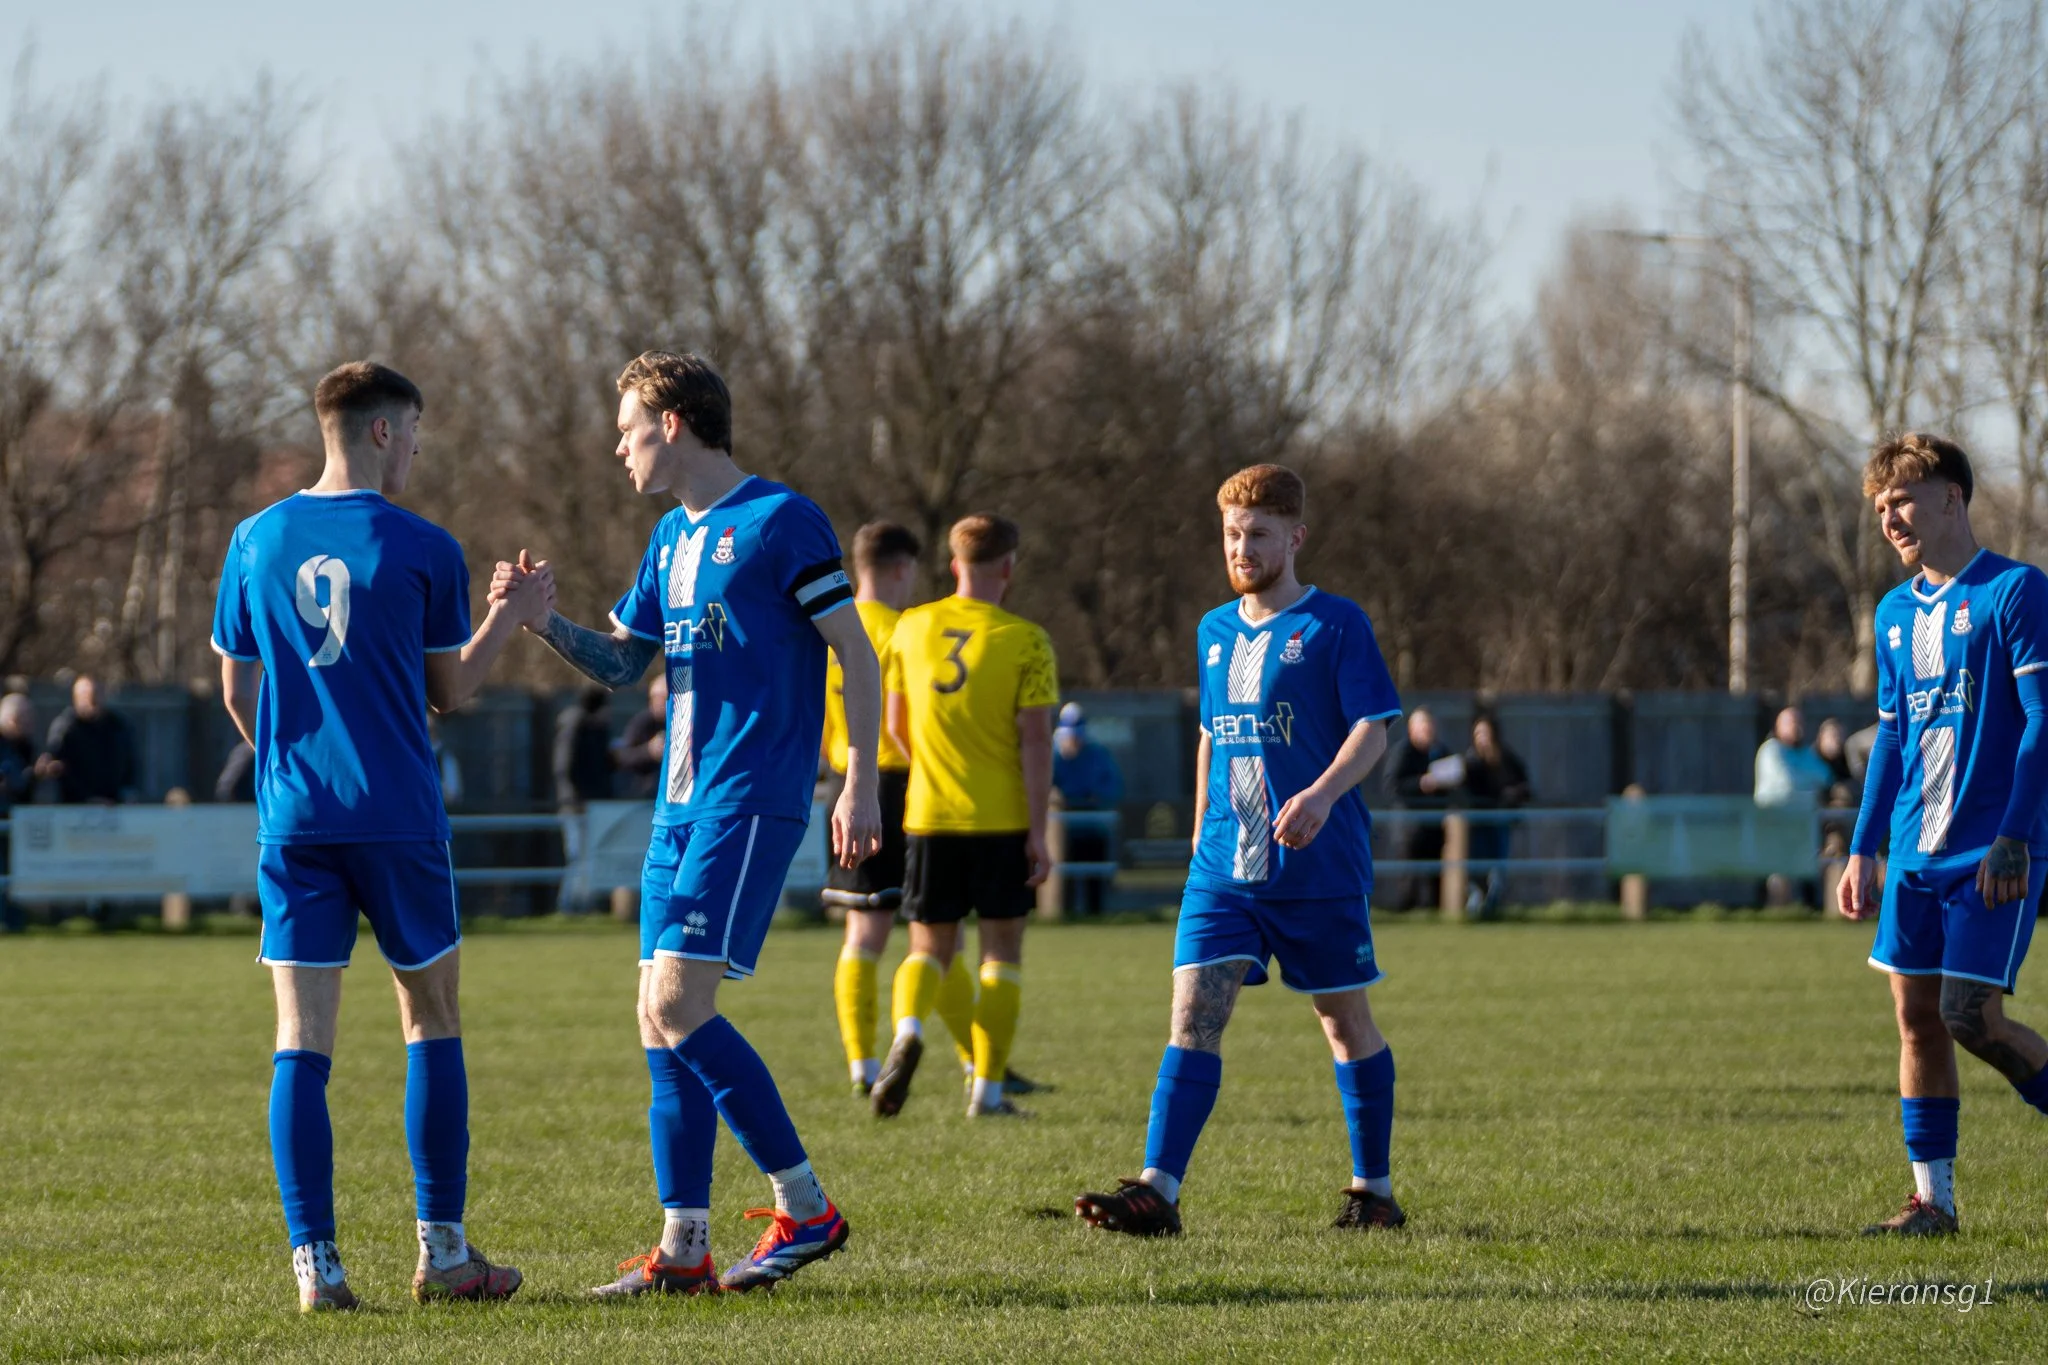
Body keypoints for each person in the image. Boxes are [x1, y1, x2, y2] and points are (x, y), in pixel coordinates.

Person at [498, 350, 881, 1297]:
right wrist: (546, 624)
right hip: (677, 805)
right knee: (656, 1017)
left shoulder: (781, 521)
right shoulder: (669, 540)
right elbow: (628, 666)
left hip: (747, 797)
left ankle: (808, 1206)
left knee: (679, 1005)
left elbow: (857, 657)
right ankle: (683, 1246)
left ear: (672, 423)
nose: (618, 448)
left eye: (627, 429)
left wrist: (860, 779)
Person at [210, 361, 548, 1312]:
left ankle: (317, 1267)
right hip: (398, 815)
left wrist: (290, 766)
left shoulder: (253, 540)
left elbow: (238, 689)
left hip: (297, 821)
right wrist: (511, 617)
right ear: (385, 432)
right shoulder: (424, 546)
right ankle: (443, 1252)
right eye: (416, 434)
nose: (418, 452)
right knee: (430, 1019)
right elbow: (451, 690)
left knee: (299, 1042)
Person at [1076, 463, 1405, 1238]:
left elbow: (1373, 728)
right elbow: (1209, 736)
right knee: (1193, 1014)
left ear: (1295, 536)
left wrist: (1322, 794)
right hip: (1225, 866)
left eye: (1257, 533)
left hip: (1318, 869)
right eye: (1231, 533)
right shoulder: (1212, 629)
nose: (1242, 547)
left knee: (1342, 1019)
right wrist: (1200, 831)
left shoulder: (1336, 625)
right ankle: (1158, 1189)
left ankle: (1374, 1190)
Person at [1839, 432, 2048, 1238]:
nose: (1890, 516)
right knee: (1918, 1018)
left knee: (1972, 1016)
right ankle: (1933, 1202)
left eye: (1902, 499)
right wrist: (1863, 845)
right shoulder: (1894, 614)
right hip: (1914, 855)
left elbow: (2041, 722)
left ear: (1951, 497)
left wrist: (2016, 835)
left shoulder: (2016, 591)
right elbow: (1892, 735)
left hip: (1992, 851)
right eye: (1881, 505)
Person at [872, 513, 1058, 1121]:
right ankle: (988, 1092)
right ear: (1009, 566)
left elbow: (895, 728)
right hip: (1001, 818)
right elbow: (1035, 741)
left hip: (928, 815)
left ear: (953, 565)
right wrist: (1037, 828)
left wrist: (933, 768)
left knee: (927, 949)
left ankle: (906, 1030)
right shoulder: (1026, 639)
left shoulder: (913, 628)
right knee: (1000, 954)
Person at [822, 522, 978, 1096]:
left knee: (861, 934)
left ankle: (861, 1066)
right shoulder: (905, 630)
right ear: (900, 568)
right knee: (939, 938)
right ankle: (978, 1062)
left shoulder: (826, 629)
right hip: (906, 784)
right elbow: (913, 719)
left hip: (846, 783)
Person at [1052, 701, 1125, 916]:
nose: (1073, 740)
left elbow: (1113, 787)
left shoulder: (1098, 754)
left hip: (1093, 830)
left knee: (1095, 883)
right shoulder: (1052, 756)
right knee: (1066, 884)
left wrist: (1094, 797)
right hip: (1063, 835)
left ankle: (1096, 916)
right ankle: (1064, 917)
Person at [1461, 712, 1530, 917]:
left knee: (1498, 865)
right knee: (1477, 863)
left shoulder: (1505, 758)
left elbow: (1523, 784)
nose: (1481, 737)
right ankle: (1475, 903)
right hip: (1478, 822)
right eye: (1478, 733)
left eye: (1485, 732)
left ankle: (1493, 903)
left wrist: (1512, 794)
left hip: (1500, 820)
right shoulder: (1471, 760)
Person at [556, 686, 616, 913]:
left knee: (586, 856)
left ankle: (581, 906)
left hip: (590, 804)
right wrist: (577, 799)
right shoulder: (575, 727)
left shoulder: (595, 730)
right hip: (577, 806)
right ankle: (570, 907)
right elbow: (565, 767)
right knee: (577, 856)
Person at [1386, 707, 1453, 910]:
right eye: (1424, 727)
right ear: (1412, 729)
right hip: (1409, 827)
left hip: (1434, 825)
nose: (1428, 731)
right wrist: (1420, 783)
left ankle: (1434, 912)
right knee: (1409, 876)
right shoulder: (1402, 752)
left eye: (1431, 727)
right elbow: (1392, 785)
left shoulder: (1440, 752)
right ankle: (1405, 913)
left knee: (1434, 875)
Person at [41, 675, 135, 804]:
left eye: (96, 694)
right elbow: (58, 771)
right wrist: (86, 798)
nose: (92, 701)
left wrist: (126, 793)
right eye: (86, 696)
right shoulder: (65, 728)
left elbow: (129, 763)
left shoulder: (118, 726)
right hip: (75, 807)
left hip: (114, 804)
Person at [1754, 707, 1831, 807]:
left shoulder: (1807, 752)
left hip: (1804, 816)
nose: (1797, 726)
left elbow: (1826, 778)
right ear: (1778, 726)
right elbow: (1787, 785)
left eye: (1800, 722)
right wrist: (1814, 789)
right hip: (1773, 816)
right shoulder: (1771, 750)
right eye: (1792, 722)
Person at [614, 673, 668, 799]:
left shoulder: (680, 722)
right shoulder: (642, 722)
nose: (660, 703)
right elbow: (624, 756)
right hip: (646, 792)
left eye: (664, 698)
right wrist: (649, 751)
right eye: (657, 698)